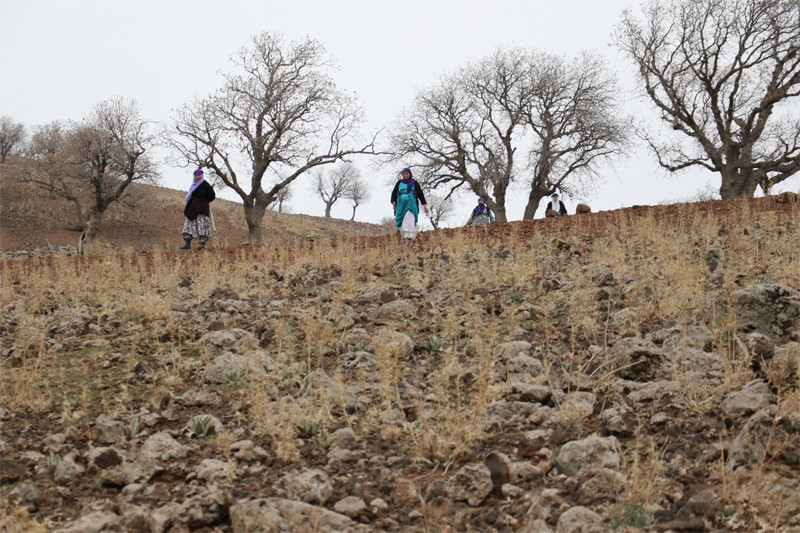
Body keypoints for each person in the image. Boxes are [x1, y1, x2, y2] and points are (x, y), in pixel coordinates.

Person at [180, 169, 216, 249]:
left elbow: (212, 195)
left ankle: (202, 244)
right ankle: (187, 243)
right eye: (195, 175)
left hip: (202, 208)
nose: (197, 177)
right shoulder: (193, 185)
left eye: (198, 175)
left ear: (201, 176)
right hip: (192, 208)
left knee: (201, 225)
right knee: (188, 224)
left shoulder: (205, 185)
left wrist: (204, 200)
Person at [391, 167, 429, 242]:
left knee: (410, 217)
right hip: (401, 204)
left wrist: (424, 205)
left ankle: (409, 236)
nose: (405, 175)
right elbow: (394, 193)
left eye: (407, 174)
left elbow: (420, 194)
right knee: (401, 218)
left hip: (411, 203)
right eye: (404, 174)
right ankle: (403, 235)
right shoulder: (399, 183)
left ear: (410, 174)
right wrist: (394, 202)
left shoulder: (414, 183)